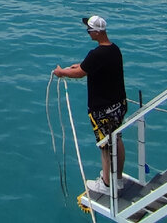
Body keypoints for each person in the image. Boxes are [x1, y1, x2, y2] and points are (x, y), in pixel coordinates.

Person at [53, 15, 128, 198]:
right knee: (116, 139)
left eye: (89, 30)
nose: (88, 33)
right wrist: (83, 65)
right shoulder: (114, 50)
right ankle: (116, 178)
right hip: (118, 105)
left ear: (96, 32)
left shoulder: (96, 54)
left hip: (102, 109)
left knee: (104, 145)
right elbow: (94, 67)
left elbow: (79, 73)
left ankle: (106, 184)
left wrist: (61, 72)